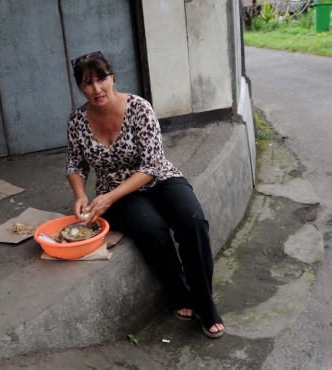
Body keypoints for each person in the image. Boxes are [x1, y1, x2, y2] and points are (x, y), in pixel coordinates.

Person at [65, 51, 225, 338]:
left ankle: (205, 302)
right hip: (118, 192)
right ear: (80, 88)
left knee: (193, 222)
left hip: (158, 179)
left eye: (101, 79)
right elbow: (76, 163)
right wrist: (80, 194)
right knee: (152, 230)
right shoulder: (76, 121)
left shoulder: (139, 108)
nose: (97, 89)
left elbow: (152, 165)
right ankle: (181, 292)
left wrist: (108, 198)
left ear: (113, 77)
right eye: (88, 83)